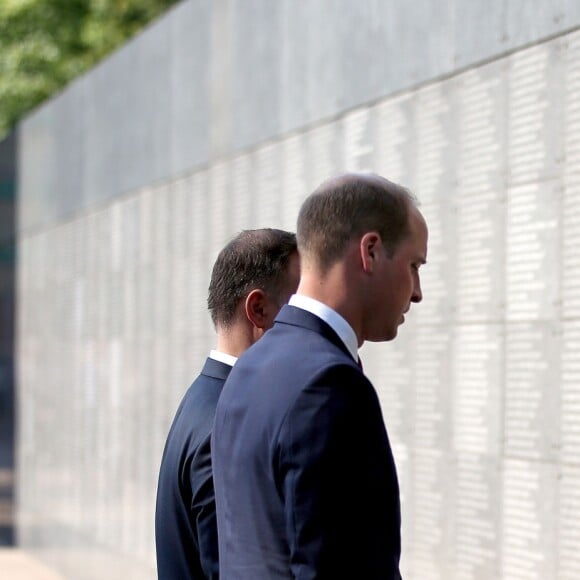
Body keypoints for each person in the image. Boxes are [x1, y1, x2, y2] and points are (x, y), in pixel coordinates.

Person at [212, 173, 428, 579]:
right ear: (371, 251)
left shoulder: (249, 368)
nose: (417, 291)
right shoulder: (328, 385)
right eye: (414, 265)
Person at [155, 228, 300, 579]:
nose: (308, 324)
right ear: (259, 309)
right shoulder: (225, 426)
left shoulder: (207, 399)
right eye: (299, 307)